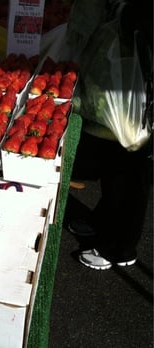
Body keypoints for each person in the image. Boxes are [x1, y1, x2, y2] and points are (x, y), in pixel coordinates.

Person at [65, 0, 153, 270]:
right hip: (133, 52)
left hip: (140, 63)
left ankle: (118, 248)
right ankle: (103, 221)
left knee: (130, 164)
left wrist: (126, 14)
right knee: (115, 154)